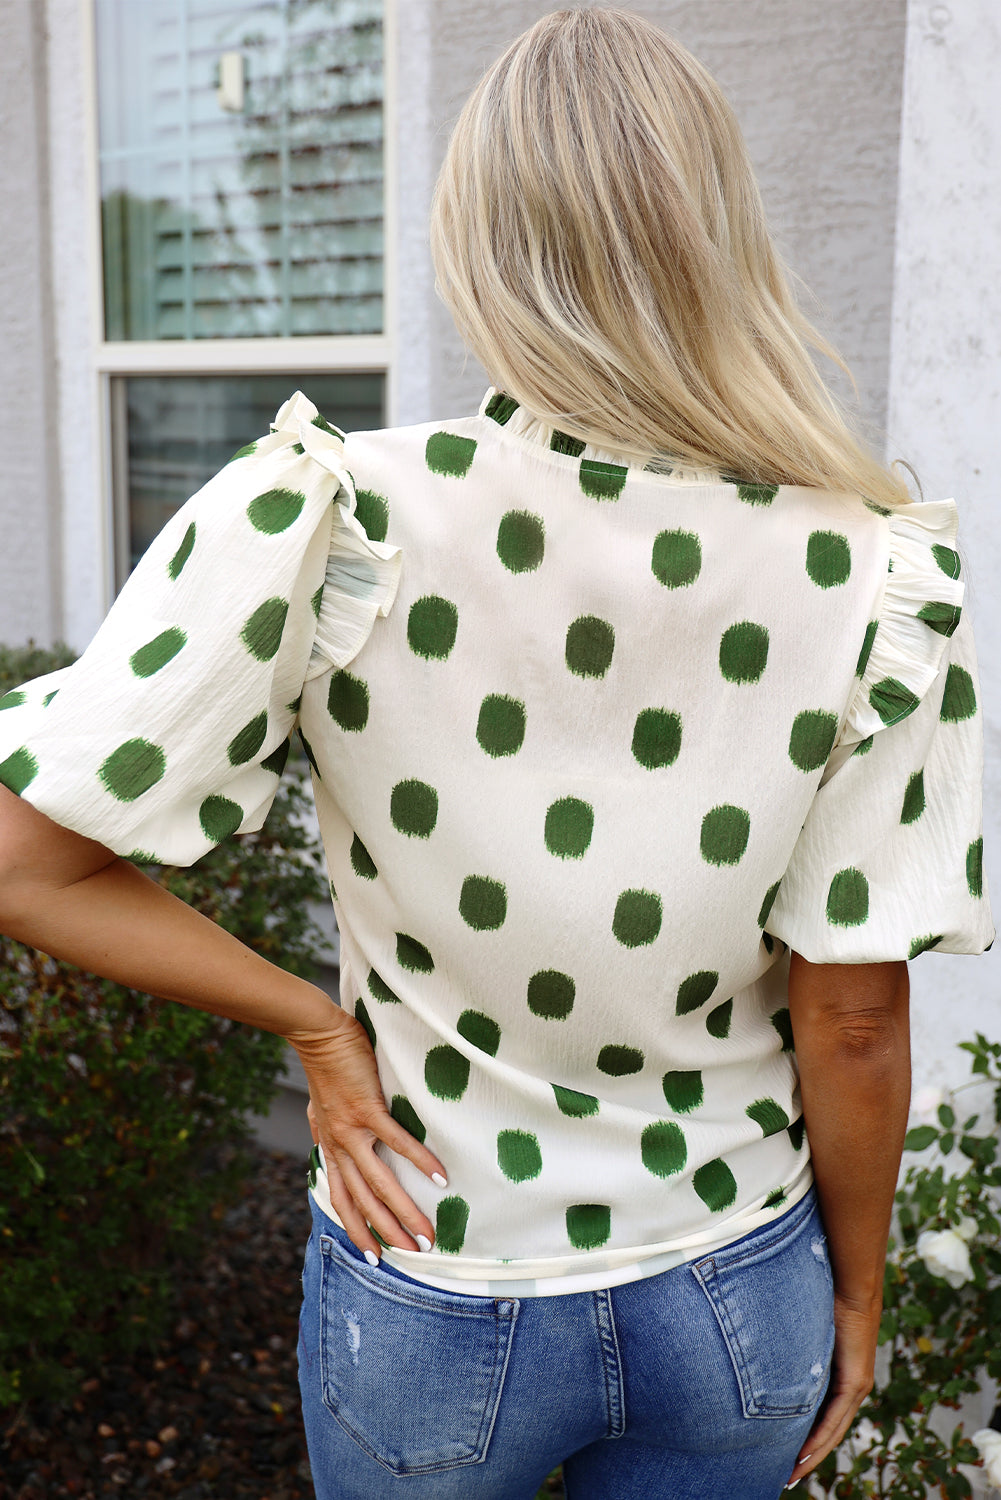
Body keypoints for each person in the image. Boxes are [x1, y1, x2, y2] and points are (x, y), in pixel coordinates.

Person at [0, 8, 993, 1498]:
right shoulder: (868, 574)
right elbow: (853, 1018)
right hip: (734, 1279)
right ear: (719, 238)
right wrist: (855, 1295)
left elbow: (25, 862)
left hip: (433, 1264)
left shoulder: (336, 516)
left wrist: (315, 1029)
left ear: (476, 239)